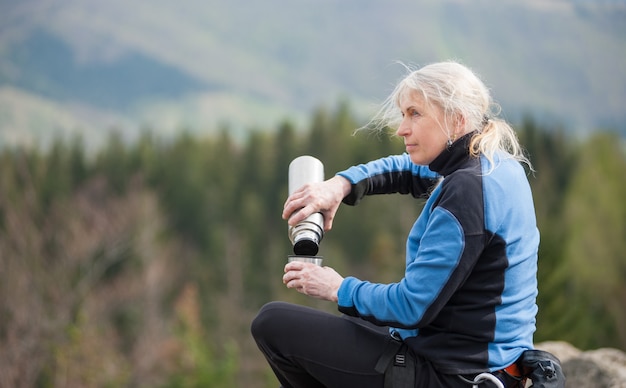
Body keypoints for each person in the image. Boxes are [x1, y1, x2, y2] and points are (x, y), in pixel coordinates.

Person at [251, 61, 541, 388]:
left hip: (452, 375)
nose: (402, 128)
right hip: (486, 361)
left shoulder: (467, 192)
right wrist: (341, 185)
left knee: (273, 324)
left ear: (457, 120)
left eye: (415, 114)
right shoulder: (492, 164)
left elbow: (411, 307)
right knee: (340, 325)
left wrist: (336, 287)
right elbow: (406, 170)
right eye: (403, 114)